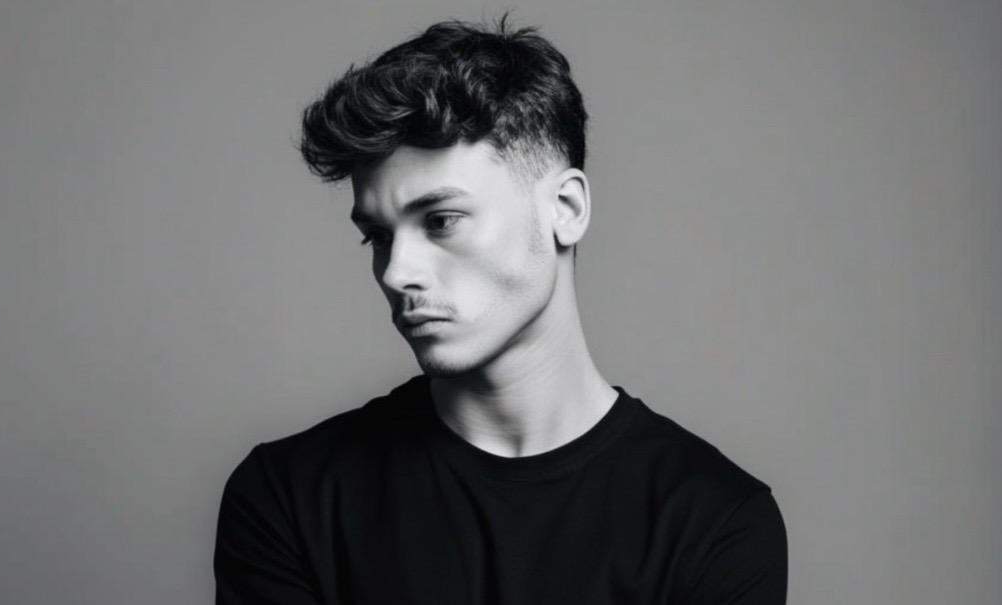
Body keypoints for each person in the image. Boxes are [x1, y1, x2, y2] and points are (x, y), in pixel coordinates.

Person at [214, 17, 787, 605]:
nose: (396, 272)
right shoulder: (289, 497)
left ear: (565, 209)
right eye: (378, 237)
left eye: (441, 221)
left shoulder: (714, 522)